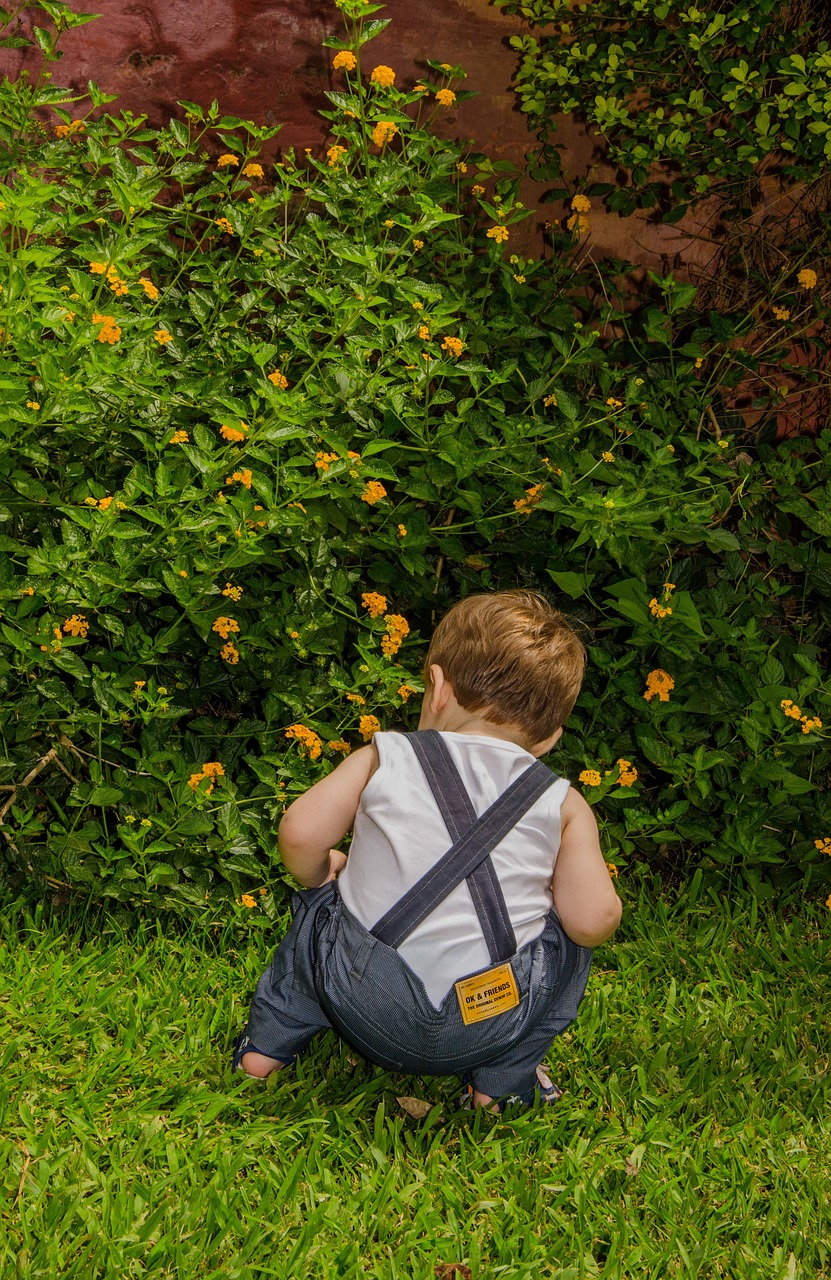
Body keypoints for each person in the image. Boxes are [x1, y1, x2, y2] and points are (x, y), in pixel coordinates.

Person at [234, 590, 621, 1110]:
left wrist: (324, 874)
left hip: (361, 996)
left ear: (437, 688)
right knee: (571, 943)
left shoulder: (386, 755)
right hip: (489, 1016)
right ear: (550, 738)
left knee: (319, 904)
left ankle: (267, 1049)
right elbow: (595, 919)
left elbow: (301, 835)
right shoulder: (563, 802)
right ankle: (499, 1086)